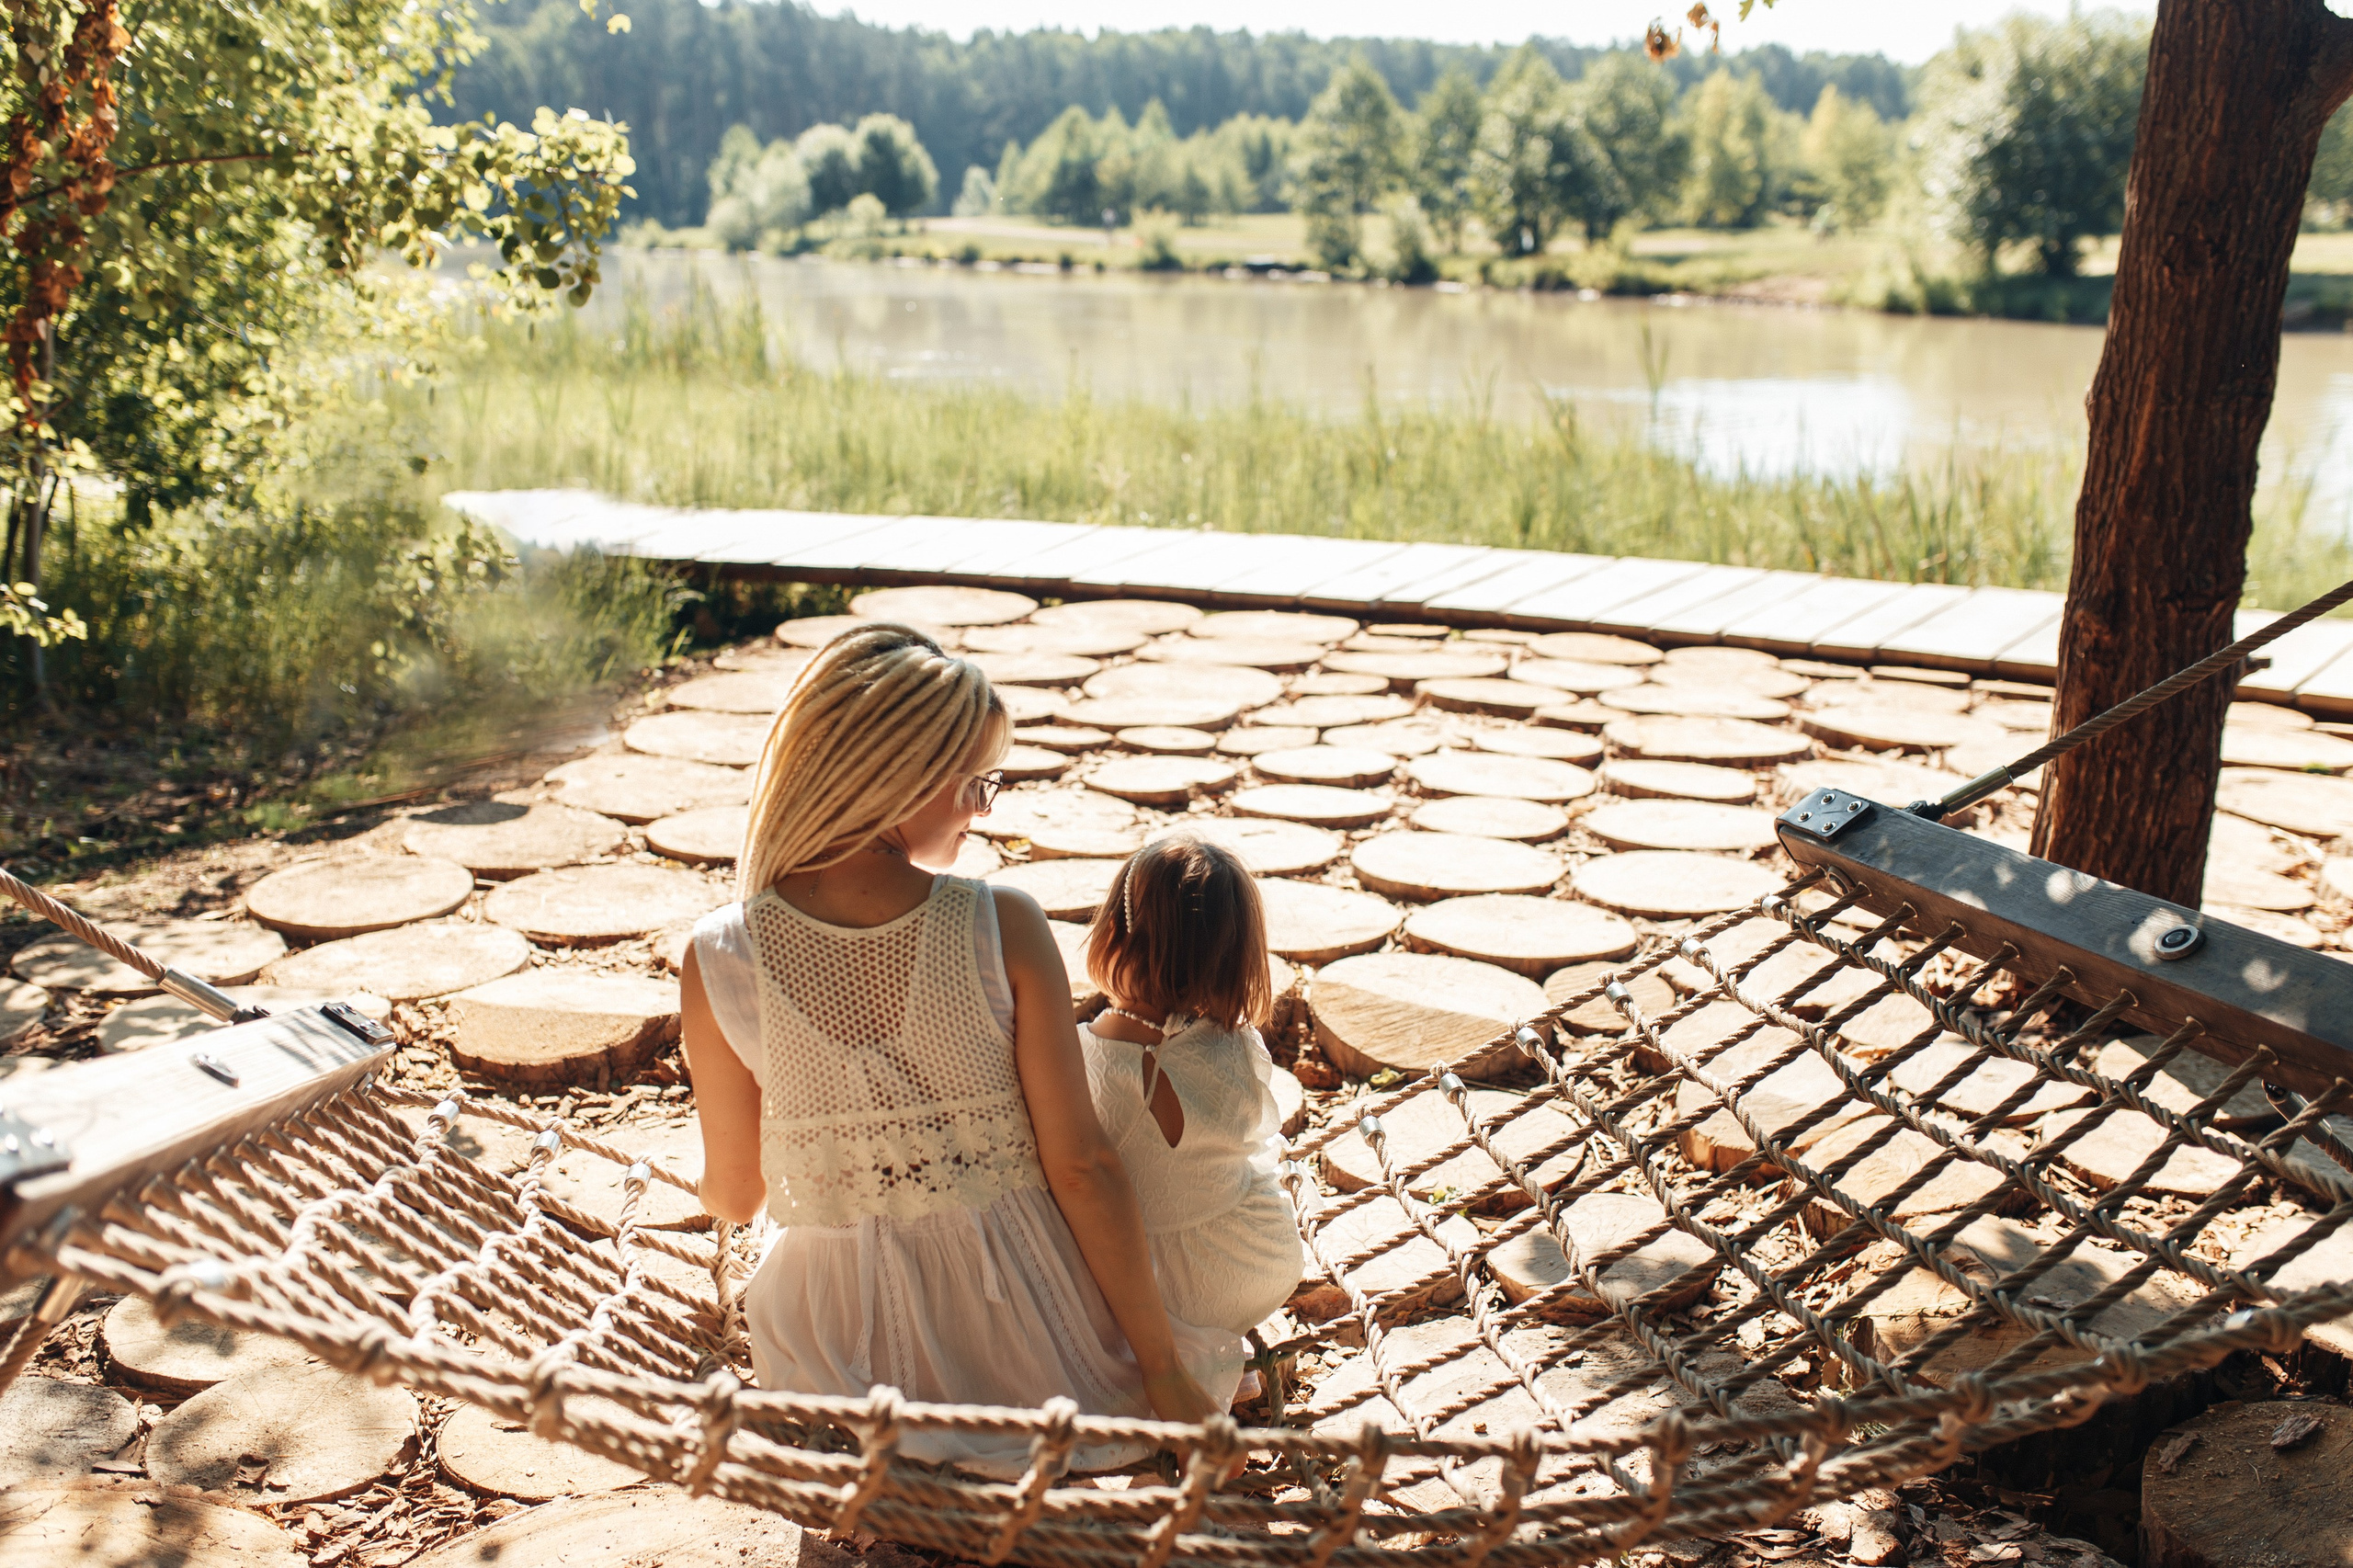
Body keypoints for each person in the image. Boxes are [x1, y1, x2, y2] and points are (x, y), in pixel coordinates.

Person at [678, 624, 1237, 1473]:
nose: (984, 809)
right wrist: (1162, 1371)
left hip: (832, 1361)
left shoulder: (719, 953)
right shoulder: (996, 924)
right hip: (1027, 1340)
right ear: (904, 780)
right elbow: (1081, 1166)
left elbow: (734, 1193)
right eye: (978, 783)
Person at [1079, 834, 1304, 1339]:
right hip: (1255, 1258)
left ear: (1111, 934)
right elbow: (1254, 1138)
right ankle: (1225, 1347)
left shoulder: (1082, 1058)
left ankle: (1197, 1355)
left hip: (1149, 1294)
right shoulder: (1239, 1044)